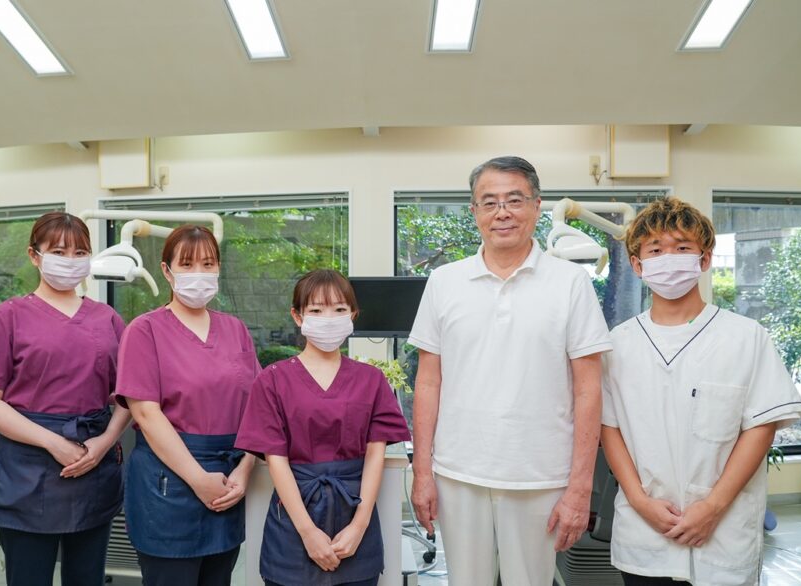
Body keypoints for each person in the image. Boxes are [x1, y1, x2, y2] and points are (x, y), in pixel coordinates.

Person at [408, 156, 613, 585]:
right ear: (475, 212)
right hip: (458, 472)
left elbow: (588, 389)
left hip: (541, 475)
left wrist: (580, 488)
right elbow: (428, 382)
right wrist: (422, 473)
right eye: (490, 202)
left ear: (536, 207)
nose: (502, 212)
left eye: (514, 200)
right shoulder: (444, 282)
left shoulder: (570, 283)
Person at [600, 197, 801, 586]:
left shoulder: (746, 337)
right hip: (645, 532)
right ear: (637, 265)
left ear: (705, 259)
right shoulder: (618, 344)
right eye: (656, 250)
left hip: (723, 533)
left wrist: (713, 506)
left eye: (682, 248)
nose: (669, 259)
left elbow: (760, 427)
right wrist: (641, 502)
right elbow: (609, 427)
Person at [0, 212, 130, 586]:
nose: (70, 261)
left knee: (87, 577)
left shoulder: (106, 319)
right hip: (28, 469)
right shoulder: (8, 317)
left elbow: (128, 396)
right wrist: (53, 443)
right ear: (34, 255)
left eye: (80, 252)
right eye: (58, 251)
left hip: (92, 463)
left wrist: (105, 443)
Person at [235, 269, 411, 586]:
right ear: (298, 316)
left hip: (355, 513)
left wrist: (359, 526)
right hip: (294, 520)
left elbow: (375, 456)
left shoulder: (371, 380)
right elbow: (276, 460)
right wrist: (307, 532)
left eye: (339, 309)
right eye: (316, 310)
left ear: (353, 315)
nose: (328, 319)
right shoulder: (272, 380)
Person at [116, 224, 260, 586]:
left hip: (227, 482)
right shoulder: (144, 331)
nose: (199, 273)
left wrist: (245, 470)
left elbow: (258, 409)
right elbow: (146, 413)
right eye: (187, 264)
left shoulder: (236, 330)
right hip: (169, 485)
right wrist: (198, 479)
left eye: (208, 264)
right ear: (167, 271)